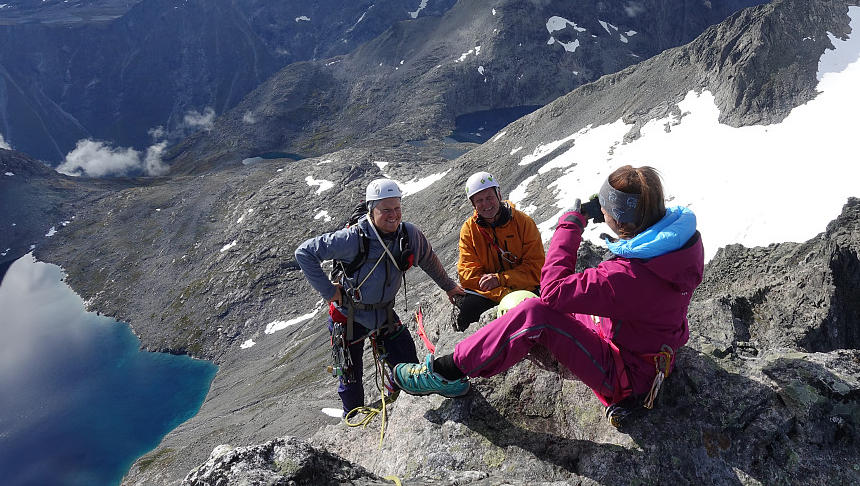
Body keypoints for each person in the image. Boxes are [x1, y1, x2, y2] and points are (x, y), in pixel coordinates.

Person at [391, 165, 704, 427]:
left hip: (626, 375)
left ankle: (445, 372)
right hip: (642, 348)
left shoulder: (628, 276)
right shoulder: (679, 244)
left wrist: (571, 223)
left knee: (534, 313)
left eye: (605, 208)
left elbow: (553, 290)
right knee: (535, 307)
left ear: (622, 222)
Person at [295, 178, 465, 416]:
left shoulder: (408, 234)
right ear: (371, 209)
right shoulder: (353, 238)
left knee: (408, 363)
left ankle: (397, 399)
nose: (393, 215)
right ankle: (352, 421)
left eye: (397, 208)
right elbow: (304, 252)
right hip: (348, 317)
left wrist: (449, 287)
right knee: (351, 380)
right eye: (385, 210)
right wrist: (329, 292)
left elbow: (427, 258)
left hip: (383, 314)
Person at [454, 171, 545, 331]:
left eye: (489, 197)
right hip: (491, 292)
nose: (486, 204)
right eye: (479, 200)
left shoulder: (523, 223)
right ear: (473, 205)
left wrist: (501, 279)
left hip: (523, 287)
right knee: (468, 311)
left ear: (499, 194)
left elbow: (536, 269)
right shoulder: (469, 230)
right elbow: (468, 275)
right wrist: (504, 293)